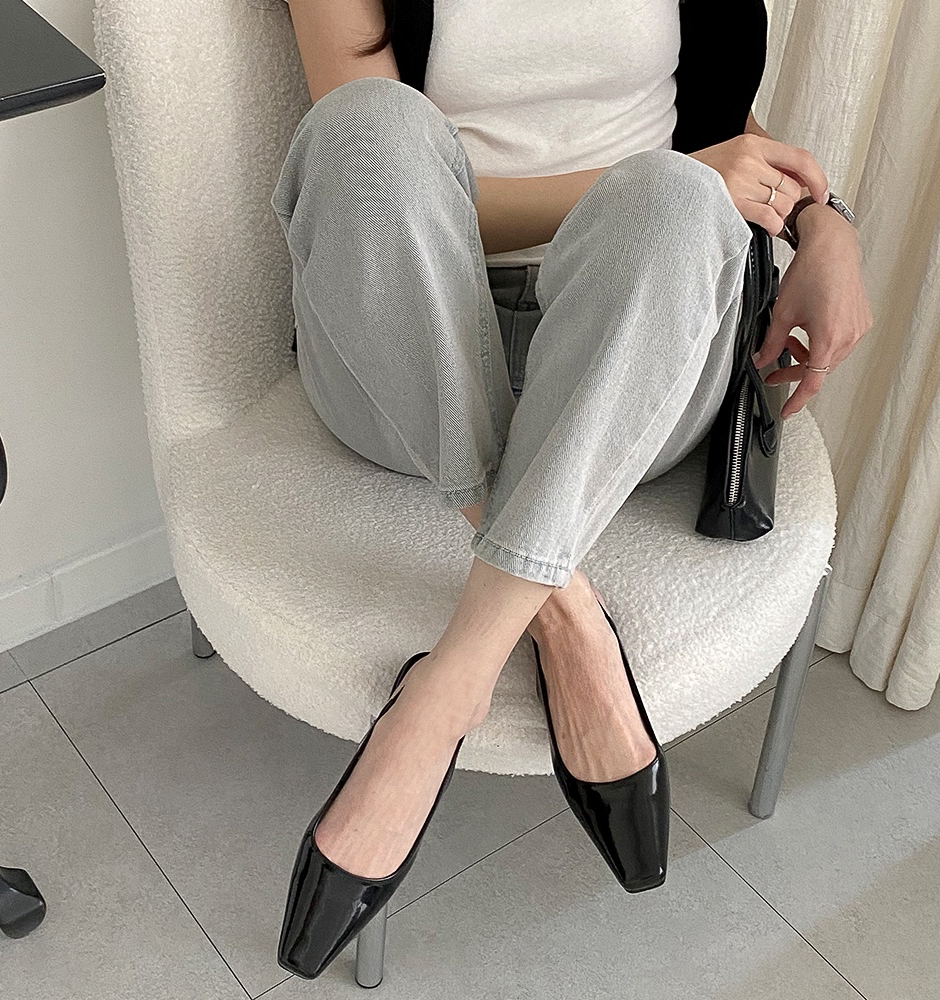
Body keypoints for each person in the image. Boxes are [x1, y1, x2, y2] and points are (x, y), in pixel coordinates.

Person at [270, 0, 873, 979]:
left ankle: (442, 694)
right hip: (408, 343)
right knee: (364, 129)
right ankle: (563, 617)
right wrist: (667, 175)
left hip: (632, 351)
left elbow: (719, 126)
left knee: (678, 199)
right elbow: (359, 184)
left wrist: (823, 223)